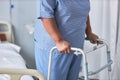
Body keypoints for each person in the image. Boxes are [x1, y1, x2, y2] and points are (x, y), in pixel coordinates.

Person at [34, 0, 98, 80]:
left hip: (76, 47)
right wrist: (59, 41)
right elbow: (45, 15)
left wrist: (89, 32)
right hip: (55, 49)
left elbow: (83, 12)